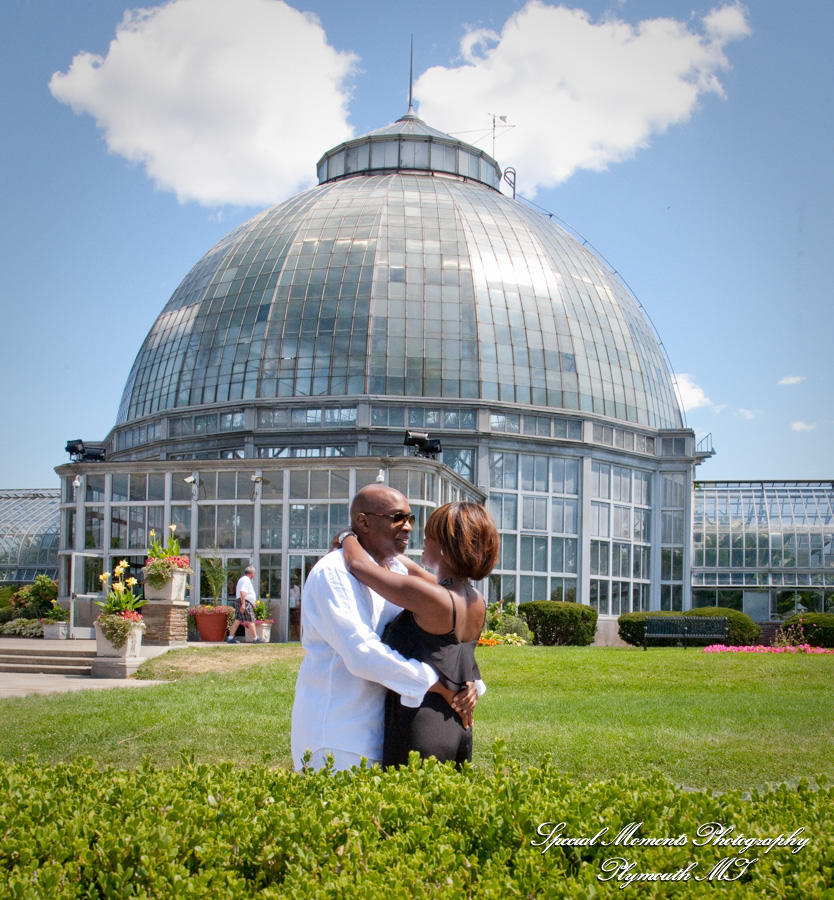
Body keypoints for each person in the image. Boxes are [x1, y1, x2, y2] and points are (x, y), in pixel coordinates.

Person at [290, 485, 477, 772]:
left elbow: (440, 630)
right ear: (363, 522)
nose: (408, 527)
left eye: (410, 519)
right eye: (397, 518)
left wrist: (467, 683)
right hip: (339, 737)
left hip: (388, 735)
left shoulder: (395, 571)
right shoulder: (333, 573)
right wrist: (439, 685)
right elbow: (361, 653)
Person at [341, 501, 499, 768]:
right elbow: (411, 569)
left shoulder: (430, 597)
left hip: (420, 728)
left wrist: (347, 535)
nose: (422, 540)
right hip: (456, 728)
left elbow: (359, 565)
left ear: (446, 547)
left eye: (430, 536)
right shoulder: (475, 599)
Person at [227, 565, 264, 644]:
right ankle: (255, 638)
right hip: (244, 602)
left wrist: (251, 603)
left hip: (244, 601)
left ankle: (230, 637)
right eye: (254, 573)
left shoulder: (243, 579)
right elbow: (242, 592)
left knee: (238, 619)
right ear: (252, 573)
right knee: (251, 619)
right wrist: (243, 604)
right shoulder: (245, 580)